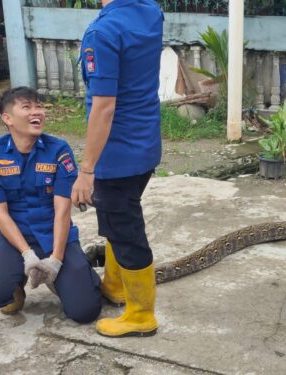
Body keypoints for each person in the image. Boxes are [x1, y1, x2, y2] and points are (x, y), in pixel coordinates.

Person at [0, 87, 102, 324]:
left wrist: (56, 260)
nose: (37, 112)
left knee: (85, 311)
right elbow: (0, 214)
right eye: (27, 107)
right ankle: (14, 283)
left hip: (56, 236)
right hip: (14, 239)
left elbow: (62, 211)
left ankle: (58, 277)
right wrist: (27, 254)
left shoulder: (58, 151)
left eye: (39, 106)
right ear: (7, 118)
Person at [71, 0, 163, 338]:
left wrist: (86, 169)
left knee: (125, 230)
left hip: (118, 154)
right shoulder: (150, 11)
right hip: (145, 145)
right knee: (115, 219)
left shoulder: (102, 32)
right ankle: (115, 285)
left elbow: (104, 107)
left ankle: (141, 314)